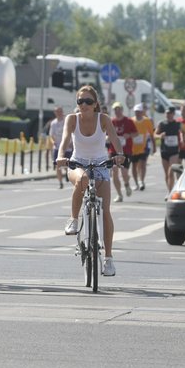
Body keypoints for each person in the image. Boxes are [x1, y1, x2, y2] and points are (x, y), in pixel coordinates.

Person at [56, 85, 125, 276]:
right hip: (78, 164)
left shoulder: (103, 119)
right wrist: (61, 156)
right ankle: (73, 219)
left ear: (95, 104)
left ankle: (109, 259)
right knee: (83, 179)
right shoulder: (72, 119)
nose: (84, 105)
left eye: (88, 101)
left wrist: (119, 154)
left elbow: (115, 139)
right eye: (80, 101)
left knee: (105, 211)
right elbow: (64, 142)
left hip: (101, 165)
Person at [110, 102, 137, 202]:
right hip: (113, 151)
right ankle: (119, 194)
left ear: (122, 110)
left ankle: (126, 184)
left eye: (119, 109)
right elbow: (105, 133)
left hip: (126, 151)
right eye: (115, 110)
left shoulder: (128, 121)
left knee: (124, 172)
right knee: (114, 172)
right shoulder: (111, 121)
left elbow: (136, 133)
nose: (117, 111)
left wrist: (129, 135)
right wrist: (108, 138)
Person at [155, 106, 182, 194]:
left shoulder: (177, 124)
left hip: (174, 151)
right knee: (166, 173)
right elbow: (154, 135)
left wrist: (182, 139)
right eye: (167, 113)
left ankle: (171, 192)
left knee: (171, 172)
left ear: (173, 114)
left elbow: (183, 132)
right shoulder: (162, 124)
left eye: (170, 113)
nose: (168, 115)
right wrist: (160, 136)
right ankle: (169, 191)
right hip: (164, 151)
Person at [130, 103, 155, 191]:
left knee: (143, 163)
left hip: (144, 146)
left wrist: (154, 146)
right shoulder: (131, 120)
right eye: (136, 111)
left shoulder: (147, 121)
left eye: (139, 111)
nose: (138, 113)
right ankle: (136, 183)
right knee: (134, 165)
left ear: (142, 112)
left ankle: (141, 181)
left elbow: (152, 134)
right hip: (133, 148)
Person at [48, 106, 70, 189]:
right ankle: (60, 182)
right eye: (57, 112)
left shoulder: (66, 121)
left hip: (67, 147)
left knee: (68, 164)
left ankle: (68, 174)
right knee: (57, 165)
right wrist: (53, 141)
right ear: (55, 113)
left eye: (60, 111)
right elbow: (51, 135)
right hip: (57, 147)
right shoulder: (53, 123)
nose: (59, 113)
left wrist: (71, 143)